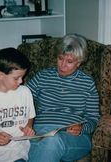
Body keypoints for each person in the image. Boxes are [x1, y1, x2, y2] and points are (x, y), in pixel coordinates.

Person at [26, 33, 100, 162]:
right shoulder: (43, 76)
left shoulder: (87, 83)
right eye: (60, 58)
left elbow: (93, 118)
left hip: (73, 137)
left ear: (79, 62)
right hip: (39, 132)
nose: (62, 65)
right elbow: (22, 98)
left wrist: (82, 128)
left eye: (69, 61)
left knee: (52, 142)